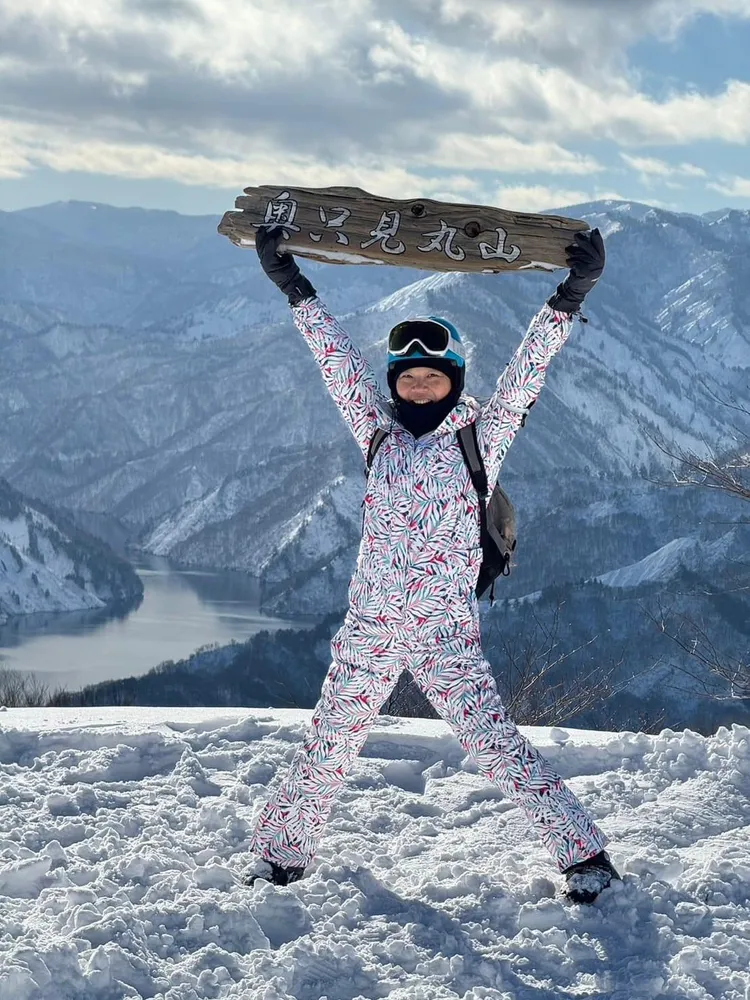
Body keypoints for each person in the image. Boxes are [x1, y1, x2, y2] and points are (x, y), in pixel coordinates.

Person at [245, 223, 620, 904]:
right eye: (408, 378)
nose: (419, 387)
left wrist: (570, 295)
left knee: (497, 747)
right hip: (370, 628)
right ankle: (281, 857)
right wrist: (294, 287)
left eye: (432, 376)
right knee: (327, 746)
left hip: (446, 634)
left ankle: (585, 855)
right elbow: (336, 364)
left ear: (452, 380)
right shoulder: (376, 435)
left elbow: (527, 370)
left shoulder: (483, 437)